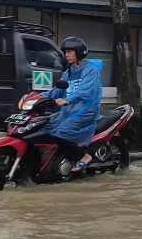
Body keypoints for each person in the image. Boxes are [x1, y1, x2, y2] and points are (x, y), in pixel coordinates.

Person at [36, 36, 103, 173]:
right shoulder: (69, 72)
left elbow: (85, 90)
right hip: (70, 110)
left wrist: (67, 100)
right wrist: (37, 97)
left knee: (61, 134)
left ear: (79, 53)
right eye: (65, 52)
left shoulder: (90, 70)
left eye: (70, 52)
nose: (66, 55)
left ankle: (84, 156)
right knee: (44, 128)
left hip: (86, 110)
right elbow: (58, 90)